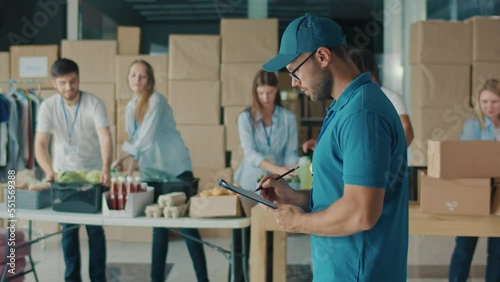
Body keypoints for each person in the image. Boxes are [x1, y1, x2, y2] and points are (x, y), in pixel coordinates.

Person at [259, 14, 409, 281]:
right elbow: (340, 195)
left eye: (295, 70)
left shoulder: (362, 115)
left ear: (323, 57)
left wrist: (299, 222)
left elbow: (360, 212)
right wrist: (295, 197)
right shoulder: (343, 108)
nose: (293, 82)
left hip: (358, 273)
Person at [111, 60, 209, 282]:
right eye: (133, 75)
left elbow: (146, 137)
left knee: (187, 226)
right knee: (159, 226)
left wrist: (120, 156)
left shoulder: (157, 101)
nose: (137, 80)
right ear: (128, 78)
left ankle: (203, 279)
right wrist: (129, 169)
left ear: (150, 80)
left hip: (175, 168)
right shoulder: (129, 107)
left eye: (142, 76)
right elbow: (137, 142)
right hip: (152, 172)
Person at [34, 58, 112, 282]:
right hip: (63, 176)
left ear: (79, 78)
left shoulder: (94, 103)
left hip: (93, 174)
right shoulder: (48, 106)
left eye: (73, 81)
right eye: (63, 83)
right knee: (68, 231)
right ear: (54, 83)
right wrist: (49, 171)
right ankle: (72, 279)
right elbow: (40, 144)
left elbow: (105, 135)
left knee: (95, 231)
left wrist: (106, 167)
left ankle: (98, 279)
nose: (69, 87)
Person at [233, 69, 299, 281]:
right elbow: (250, 154)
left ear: (277, 90)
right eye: (261, 93)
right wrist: (279, 170)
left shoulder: (288, 118)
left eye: (269, 93)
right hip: (249, 182)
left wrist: (291, 168)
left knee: (272, 232)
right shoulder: (245, 118)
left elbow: (290, 151)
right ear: (255, 92)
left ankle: (270, 276)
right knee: (245, 233)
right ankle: (242, 276)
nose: (265, 98)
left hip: (275, 186)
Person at [302, 46, 414, 153]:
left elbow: (407, 130)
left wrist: (389, 156)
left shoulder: (390, 97)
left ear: (364, 69)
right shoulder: (349, 100)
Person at [449, 78, 500, 282]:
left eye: (494, 101)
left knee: (497, 252)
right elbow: (468, 160)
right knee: (464, 248)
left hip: (499, 194)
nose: (488, 106)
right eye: (484, 101)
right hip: (476, 191)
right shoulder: (473, 125)